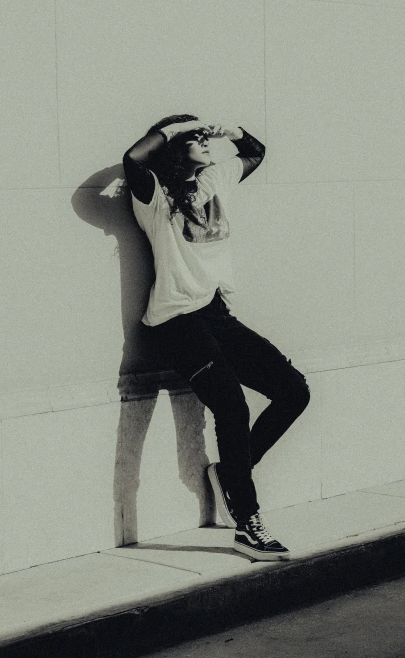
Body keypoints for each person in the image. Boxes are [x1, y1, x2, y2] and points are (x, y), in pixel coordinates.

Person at [122, 114, 310, 561]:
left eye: (205, 137)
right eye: (195, 138)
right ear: (172, 148)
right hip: (176, 321)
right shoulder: (155, 197)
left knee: (294, 391)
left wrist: (227, 130)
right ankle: (248, 524)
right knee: (232, 406)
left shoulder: (214, 179)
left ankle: (230, 473)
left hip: (214, 312)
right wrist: (177, 125)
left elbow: (255, 153)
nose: (204, 141)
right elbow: (132, 157)